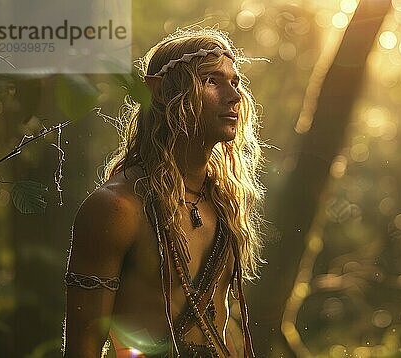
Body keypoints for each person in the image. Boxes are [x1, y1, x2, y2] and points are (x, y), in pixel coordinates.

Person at [63, 27, 266, 357]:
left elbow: (225, 326)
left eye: (234, 81)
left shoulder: (225, 201)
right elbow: (82, 347)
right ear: (161, 92)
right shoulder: (117, 208)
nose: (234, 95)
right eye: (212, 81)